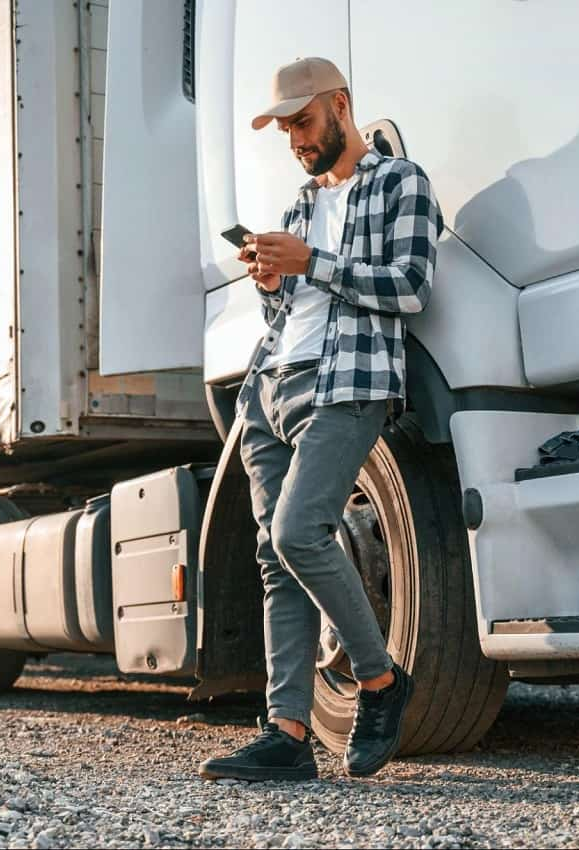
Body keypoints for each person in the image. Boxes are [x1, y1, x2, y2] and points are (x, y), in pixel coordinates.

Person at [199, 57, 440, 781]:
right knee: (276, 561)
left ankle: (379, 680)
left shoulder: (402, 183)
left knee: (298, 532)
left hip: (346, 385)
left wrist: (315, 261)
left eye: (303, 121)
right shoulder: (303, 203)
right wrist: (274, 281)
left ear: (341, 106)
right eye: (285, 128)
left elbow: (412, 288)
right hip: (269, 387)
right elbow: (294, 310)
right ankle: (287, 734)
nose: (296, 139)